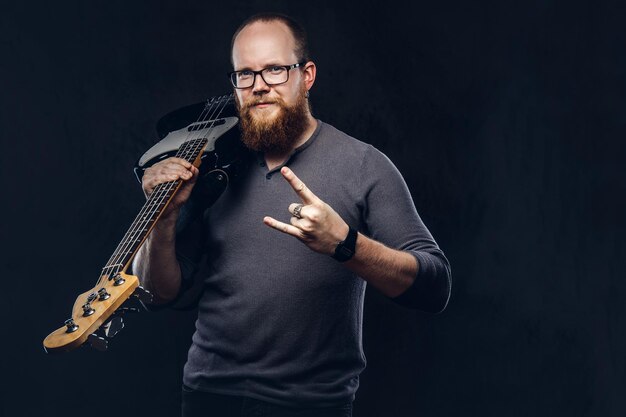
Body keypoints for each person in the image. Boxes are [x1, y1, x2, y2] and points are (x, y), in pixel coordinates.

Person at [133, 12, 451, 417]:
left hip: (311, 406)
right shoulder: (215, 168)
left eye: (275, 70)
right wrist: (162, 218)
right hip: (207, 397)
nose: (259, 86)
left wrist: (345, 245)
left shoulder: (364, 166)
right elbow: (159, 295)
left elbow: (435, 287)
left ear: (307, 75)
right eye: (244, 74)